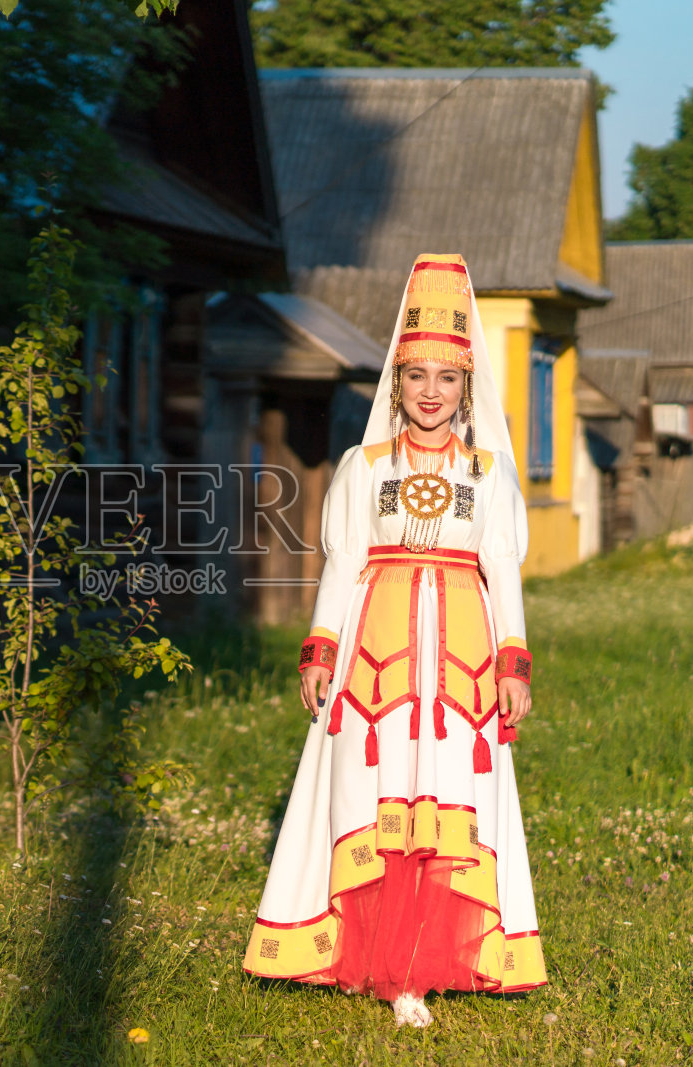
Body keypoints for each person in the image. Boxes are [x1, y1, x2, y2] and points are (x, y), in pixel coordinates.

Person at [241, 254, 545, 1028]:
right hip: (375, 668)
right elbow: (341, 564)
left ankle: (426, 965)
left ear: (465, 386)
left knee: (446, 795)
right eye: (417, 377)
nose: (432, 392)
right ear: (397, 384)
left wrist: (514, 663)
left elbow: (502, 572)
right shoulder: (362, 466)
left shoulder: (487, 475)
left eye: (447, 377)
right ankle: (370, 958)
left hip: (462, 667)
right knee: (373, 797)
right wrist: (319, 647)